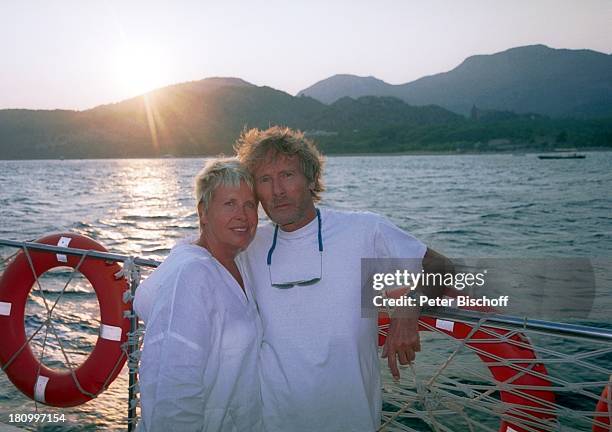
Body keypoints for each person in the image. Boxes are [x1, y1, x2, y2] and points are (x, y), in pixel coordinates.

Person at [236, 126, 450, 431]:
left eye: (288, 175)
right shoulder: (249, 244)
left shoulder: (364, 230)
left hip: (352, 419)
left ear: (310, 179)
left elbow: (442, 268)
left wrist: (407, 310)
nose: (277, 190)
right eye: (265, 180)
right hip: (273, 421)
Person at [133, 158, 262, 432]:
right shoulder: (192, 275)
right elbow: (174, 389)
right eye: (230, 203)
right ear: (203, 212)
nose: (242, 214)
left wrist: (378, 309)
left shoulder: (239, 263)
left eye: (250, 205)